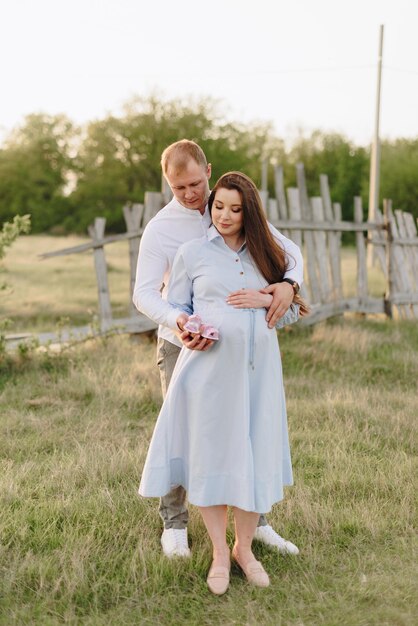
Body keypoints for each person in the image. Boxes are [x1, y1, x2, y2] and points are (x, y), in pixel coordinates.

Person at [133, 140, 303, 559]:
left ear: (208, 170)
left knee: (242, 427)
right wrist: (180, 322)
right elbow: (143, 294)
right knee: (183, 430)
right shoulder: (162, 228)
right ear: (168, 184)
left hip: (241, 349)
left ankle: (255, 524)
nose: (190, 194)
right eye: (178, 188)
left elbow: (289, 252)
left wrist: (288, 284)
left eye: (194, 183)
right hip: (182, 344)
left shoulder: (231, 204)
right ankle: (174, 524)